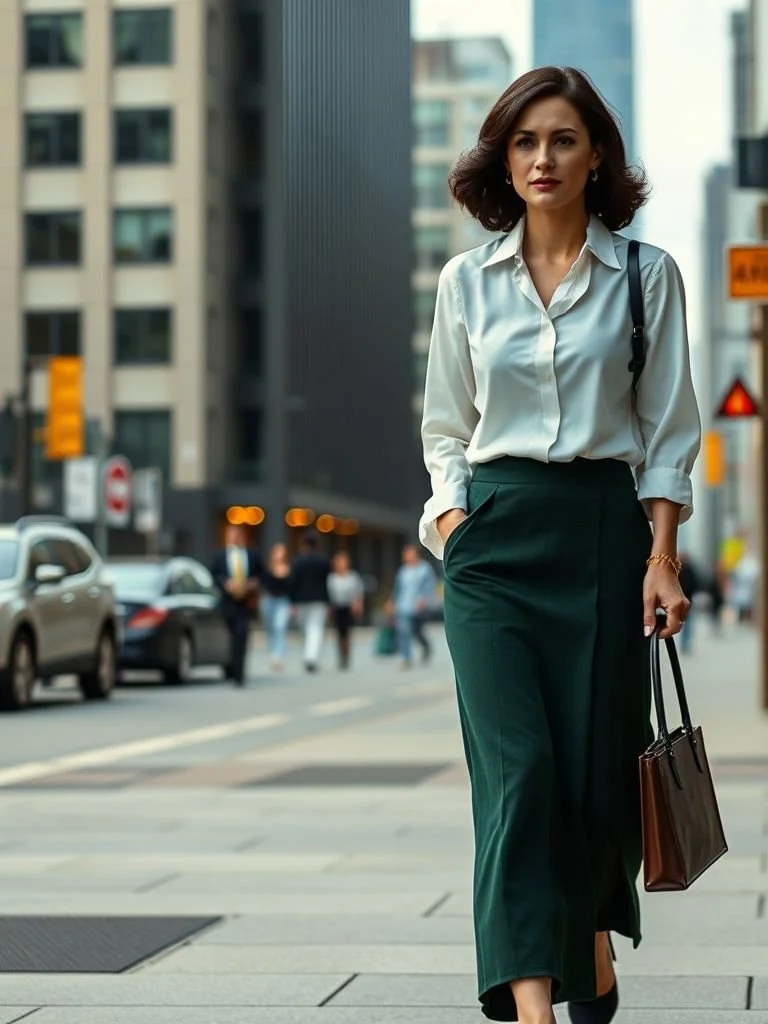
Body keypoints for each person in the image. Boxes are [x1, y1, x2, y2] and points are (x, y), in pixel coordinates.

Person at [419, 67, 700, 1024]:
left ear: (597, 157)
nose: (543, 158)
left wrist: (660, 559)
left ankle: (587, 947)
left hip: (598, 538)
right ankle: (535, 1008)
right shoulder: (464, 280)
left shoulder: (647, 277)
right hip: (494, 546)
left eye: (564, 139)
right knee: (519, 772)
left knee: (589, 778)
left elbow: (667, 436)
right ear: (505, 157)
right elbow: (445, 429)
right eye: (525, 141)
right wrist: (455, 524)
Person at [211, 523, 263, 686]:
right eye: (231, 535)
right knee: (230, 638)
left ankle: (239, 675)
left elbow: (262, 574)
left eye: (237, 535)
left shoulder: (252, 554)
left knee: (241, 636)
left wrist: (253, 584)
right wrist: (225, 583)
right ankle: (230, 668)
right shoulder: (220, 555)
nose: (234, 538)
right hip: (228, 602)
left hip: (245, 603)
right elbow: (213, 575)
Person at [388, 545, 437, 669]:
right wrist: (391, 602)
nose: (408, 557)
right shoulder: (402, 571)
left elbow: (429, 586)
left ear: (416, 554)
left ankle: (426, 647)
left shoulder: (424, 569)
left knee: (417, 632)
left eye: (410, 554)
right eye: (406, 554)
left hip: (418, 606)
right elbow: (397, 589)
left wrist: (424, 599)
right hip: (403, 606)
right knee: (403, 631)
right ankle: (406, 658)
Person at [289, 531, 331, 672]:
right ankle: (311, 656)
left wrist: (292, 601)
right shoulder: (323, 562)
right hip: (318, 600)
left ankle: (308, 656)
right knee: (315, 629)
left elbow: (293, 583)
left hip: (301, 600)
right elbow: (327, 583)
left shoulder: (298, 562)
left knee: (305, 629)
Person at [327, 550, 365, 669]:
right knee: (339, 633)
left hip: (349, 607)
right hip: (337, 607)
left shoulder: (352, 576)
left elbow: (358, 592)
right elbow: (329, 594)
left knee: (347, 633)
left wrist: (358, 605)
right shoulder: (332, 578)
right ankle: (340, 655)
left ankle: (346, 655)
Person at [260, 542, 292, 672]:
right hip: (269, 600)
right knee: (270, 628)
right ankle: (272, 651)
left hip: (283, 601)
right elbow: (263, 584)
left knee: (280, 627)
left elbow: (291, 588)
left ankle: (277, 655)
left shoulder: (289, 569)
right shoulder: (268, 568)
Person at [677, 552, 700, 654]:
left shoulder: (683, 570)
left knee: (686, 623)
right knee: (685, 623)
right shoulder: (678, 569)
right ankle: (684, 644)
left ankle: (685, 644)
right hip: (685, 600)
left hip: (686, 600)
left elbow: (695, 583)